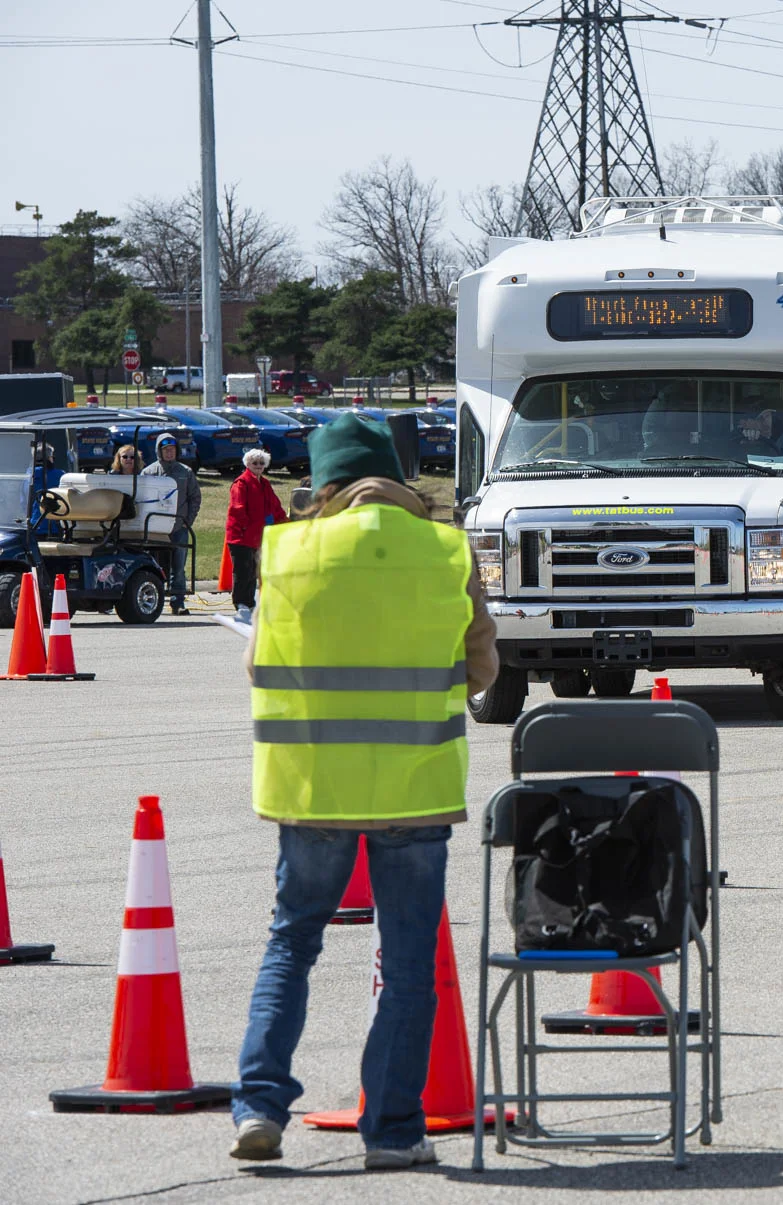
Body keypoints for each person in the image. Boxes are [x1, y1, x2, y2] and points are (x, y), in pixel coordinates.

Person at [230, 413, 498, 1170]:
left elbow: (258, 667)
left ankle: (259, 1106)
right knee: (410, 960)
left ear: (325, 483)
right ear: (397, 475)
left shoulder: (287, 548)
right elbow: (482, 671)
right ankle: (392, 1131)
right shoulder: (445, 548)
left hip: (312, 784)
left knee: (292, 940)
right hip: (415, 784)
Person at [225, 448, 287, 625]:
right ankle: (241, 604)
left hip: (258, 537)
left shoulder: (265, 483)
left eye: (261, 463)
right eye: (255, 463)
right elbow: (237, 509)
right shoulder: (241, 483)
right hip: (241, 536)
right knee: (242, 571)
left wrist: (284, 520)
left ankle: (250, 603)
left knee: (253, 571)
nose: (258, 466)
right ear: (247, 464)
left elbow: (275, 506)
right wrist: (246, 526)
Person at [143, 434, 202, 615]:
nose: (169, 453)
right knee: (153, 564)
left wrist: (187, 521)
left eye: (172, 450)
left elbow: (195, 498)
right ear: (159, 451)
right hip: (154, 529)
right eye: (165, 450)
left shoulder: (186, 472)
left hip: (178, 527)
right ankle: (154, 599)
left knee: (178, 566)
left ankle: (178, 601)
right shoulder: (149, 472)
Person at [29, 442, 62, 536]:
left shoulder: (29, 475)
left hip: (35, 525)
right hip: (56, 525)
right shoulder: (60, 475)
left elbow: (24, 501)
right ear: (50, 458)